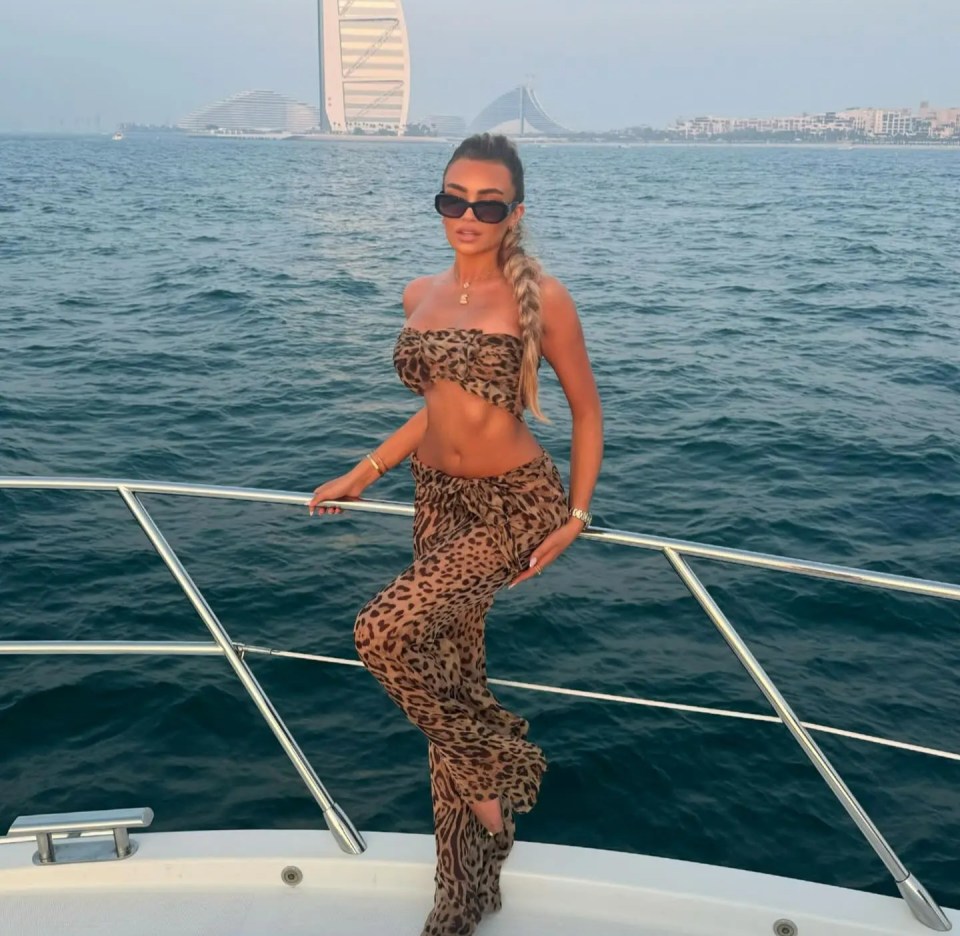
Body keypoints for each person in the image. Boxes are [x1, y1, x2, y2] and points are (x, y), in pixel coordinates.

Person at [308, 133, 603, 936]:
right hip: (434, 500)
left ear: (514, 213)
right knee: (449, 676)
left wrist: (575, 517)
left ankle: (493, 771)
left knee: (383, 634)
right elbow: (435, 408)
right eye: (453, 199)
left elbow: (586, 413)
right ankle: (465, 891)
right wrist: (365, 471)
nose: (467, 216)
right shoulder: (418, 293)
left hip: (512, 503)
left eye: (487, 204)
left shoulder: (545, 297)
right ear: (439, 201)